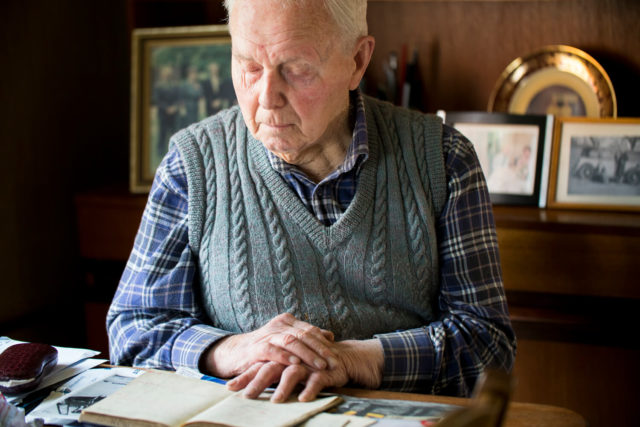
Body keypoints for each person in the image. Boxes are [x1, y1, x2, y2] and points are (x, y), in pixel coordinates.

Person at [108, 0, 516, 404]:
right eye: (249, 66)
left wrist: (355, 360)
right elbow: (133, 329)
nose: (266, 98)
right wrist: (233, 350)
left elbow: (487, 345)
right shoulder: (192, 163)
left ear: (357, 62)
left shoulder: (442, 158)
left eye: (297, 69)